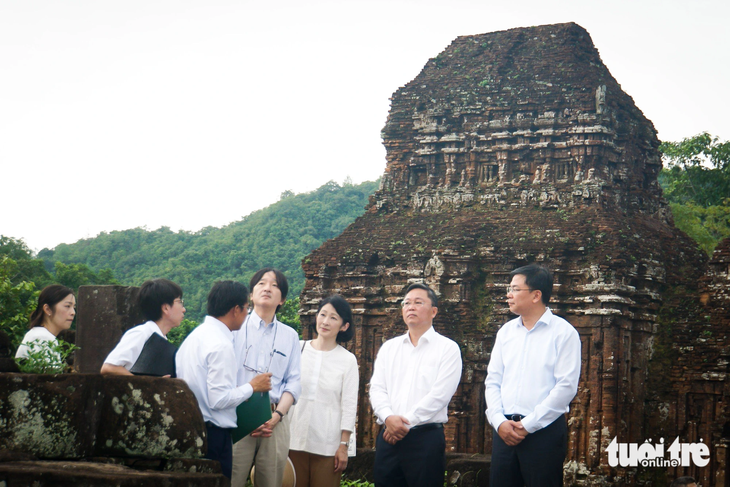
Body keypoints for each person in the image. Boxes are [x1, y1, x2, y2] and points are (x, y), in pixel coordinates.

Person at [485, 264, 581, 487]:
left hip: (543, 433)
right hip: (504, 430)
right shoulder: (506, 332)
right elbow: (493, 380)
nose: (509, 294)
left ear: (536, 295)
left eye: (515, 289)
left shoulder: (563, 332)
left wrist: (528, 425)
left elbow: (565, 387)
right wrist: (499, 421)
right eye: (509, 288)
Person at [176, 280, 272, 479]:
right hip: (213, 434)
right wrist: (252, 387)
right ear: (236, 310)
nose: (247, 314)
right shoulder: (221, 345)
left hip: (190, 428)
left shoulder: (193, 337)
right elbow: (218, 399)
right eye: (247, 308)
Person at [369, 282, 463, 487]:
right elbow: (377, 388)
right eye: (406, 303)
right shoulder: (389, 348)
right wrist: (388, 417)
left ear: (434, 311)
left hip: (425, 439)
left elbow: (440, 395)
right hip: (388, 437)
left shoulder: (447, 348)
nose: (411, 307)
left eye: (418, 302)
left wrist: (403, 423)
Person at [231, 268, 302, 487]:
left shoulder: (290, 336)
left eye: (275, 285)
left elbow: (294, 382)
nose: (267, 288)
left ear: (282, 300)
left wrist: (277, 416)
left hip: (275, 420)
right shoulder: (234, 329)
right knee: (231, 479)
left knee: (271, 482)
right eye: (261, 283)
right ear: (251, 295)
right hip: (237, 417)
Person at [289, 294, 359, 487]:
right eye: (323, 314)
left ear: (344, 326)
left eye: (333, 317)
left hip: (328, 444)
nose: (325, 321)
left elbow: (349, 405)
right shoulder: (298, 349)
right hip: (292, 439)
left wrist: (343, 446)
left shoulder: (347, 360)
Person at [101, 278, 185, 376]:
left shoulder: (160, 338)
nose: (183, 309)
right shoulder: (141, 333)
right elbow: (109, 367)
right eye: (179, 302)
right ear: (165, 308)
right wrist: (148, 385)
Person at [15, 284, 76, 366]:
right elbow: (50, 377)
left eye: (74, 307)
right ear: (47, 309)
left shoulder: (39, 334)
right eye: (67, 306)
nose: (73, 312)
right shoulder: (42, 337)